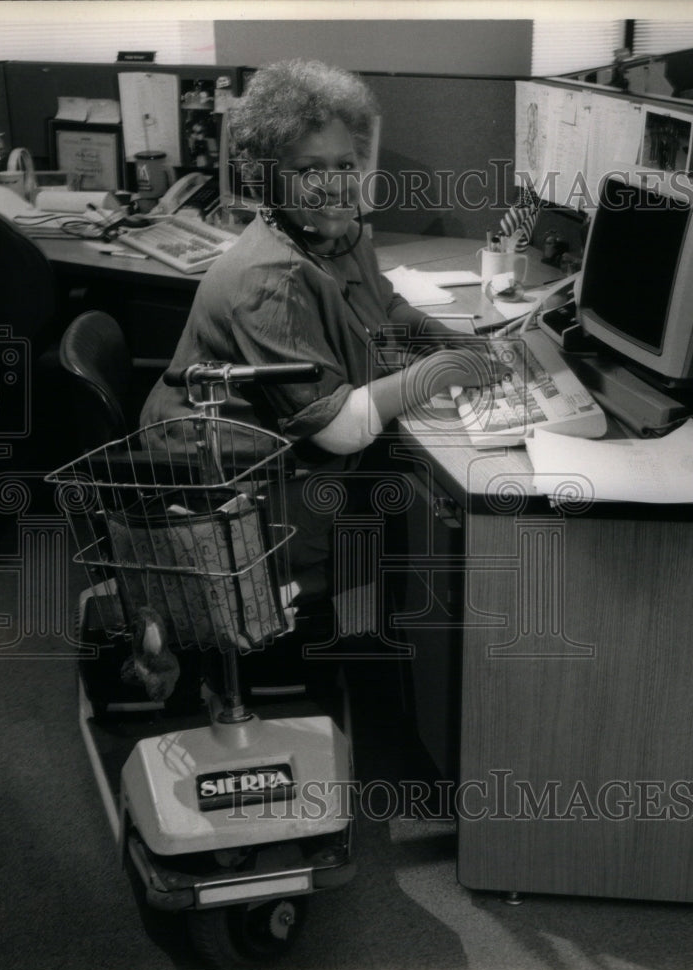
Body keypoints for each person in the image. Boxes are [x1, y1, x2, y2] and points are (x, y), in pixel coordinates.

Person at [141, 59, 503, 597]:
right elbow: (338, 430)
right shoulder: (271, 278)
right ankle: (377, 659)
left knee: (430, 483)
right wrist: (443, 370)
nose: (334, 187)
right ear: (267, 176)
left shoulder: (340, 234)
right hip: (235, 490)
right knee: (430, 513)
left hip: (290, 460)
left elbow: (386, 308)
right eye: (310, 170)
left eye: (345, 164)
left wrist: (448, 340)